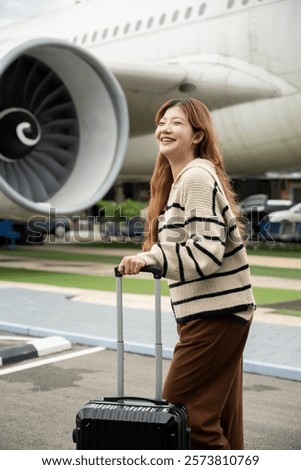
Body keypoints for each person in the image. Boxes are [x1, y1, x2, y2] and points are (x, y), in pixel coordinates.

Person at [118, 98, 256, 450]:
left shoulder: (195, 177)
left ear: (197, 134)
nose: (164, 128)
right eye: (162, 122)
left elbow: (205, 253)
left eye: (176, 123)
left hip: (216, 314)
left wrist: (151, 258)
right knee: (220, 417)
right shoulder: (185, 178)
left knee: (187, 415)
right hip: (217, 312)